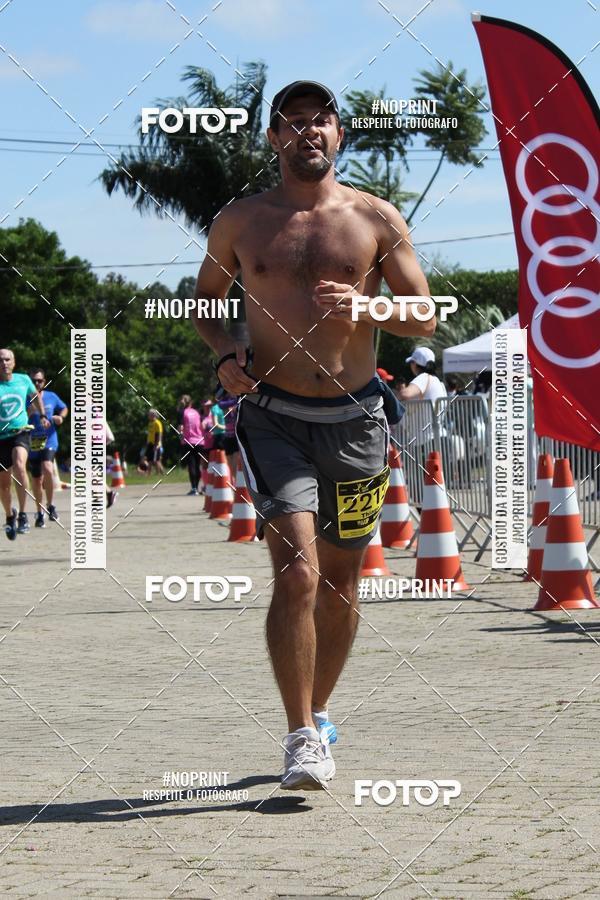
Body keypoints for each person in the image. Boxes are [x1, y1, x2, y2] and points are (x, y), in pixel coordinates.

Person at [191, 80, 434, 791]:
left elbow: (425, 315)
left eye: (320, 120)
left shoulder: (375, 218)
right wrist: (226, 352)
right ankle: (299, 736)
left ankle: (320, 710)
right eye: (293, 122)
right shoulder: (241, 221)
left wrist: (366, 306)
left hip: (356, 421)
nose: (309, 132)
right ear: (273, 138)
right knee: (297, 570)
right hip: (274, 417)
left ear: (339, 134)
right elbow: (205, 302)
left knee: (340, 583)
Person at [0, 348, 49, 540]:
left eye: (7, 359)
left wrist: (42, 415)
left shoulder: (23, 380)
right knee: (4, 485)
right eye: (0, 360)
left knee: (20, 464)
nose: (4, 363)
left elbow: (35, 396)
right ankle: (9, 515)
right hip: (1, 438)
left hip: (21, 432)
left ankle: (22, 514)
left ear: (13, 362)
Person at [27, 368, 68, 527]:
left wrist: (60, 417)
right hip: (32, 441)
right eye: (34, 381)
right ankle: (39, 512)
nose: (37, 383)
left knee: (48, 468)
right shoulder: (24, 398)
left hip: (50, 440)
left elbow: (64, 408)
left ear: (44, 382)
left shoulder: (51, 396)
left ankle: (51, 505)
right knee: (36, 479)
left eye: (40, 381)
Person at [178, 395, 205, 495]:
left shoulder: (182, 412)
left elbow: (180, 428)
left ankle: (194, 488)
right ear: (191, 402)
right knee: (198, 465)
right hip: (200, 441)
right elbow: (201, 426)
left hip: (189, 441)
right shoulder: (196, 412)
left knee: (191, 465)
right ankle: (197, 487)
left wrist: (181, 438)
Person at [145, 409, 164, 476]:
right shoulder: (150, 423)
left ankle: (158, 474)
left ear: (153, 415)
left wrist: (156, 444)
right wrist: (147, 442)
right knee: (149, 459)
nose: (148, 416)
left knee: (156, 460)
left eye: (149, 414)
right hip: (150, 443)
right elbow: (149, 434)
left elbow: (159, 434)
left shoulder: (157, 423)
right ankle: (149, 474)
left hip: (156, 444)